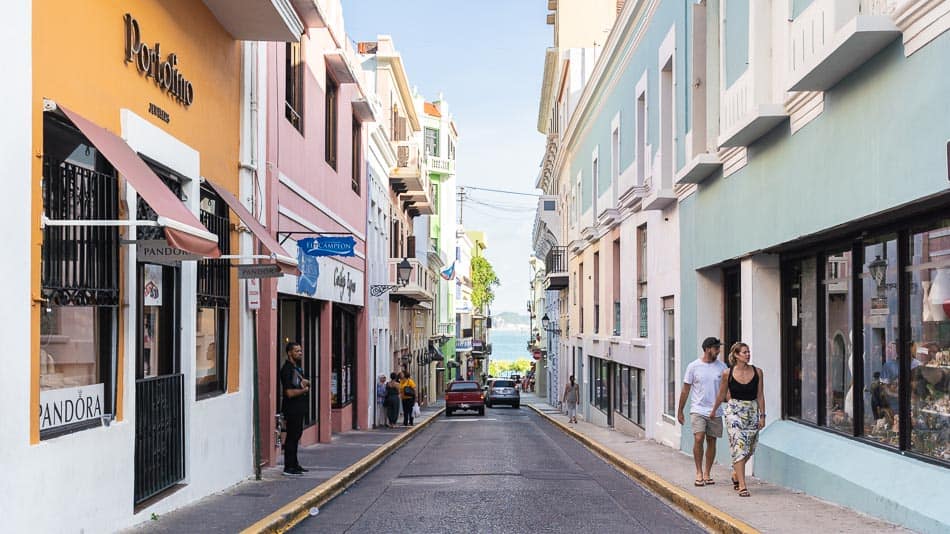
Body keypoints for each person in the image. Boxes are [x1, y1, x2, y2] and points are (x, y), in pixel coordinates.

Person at [710, 342, 765, 497]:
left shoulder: (758, 372)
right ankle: (742, 485)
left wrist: (763, 415)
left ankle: (736, 474)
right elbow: (722, 394)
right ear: (736, 355)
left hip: (752, 411)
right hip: (734, 412)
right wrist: (714, 410)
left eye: (748, 352)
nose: (748, 355)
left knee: (750, 447)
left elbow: (760, 395)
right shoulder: (728, 373)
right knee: (738, 447)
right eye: (744, 352)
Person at [678, 337, 727, 487]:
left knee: (712, 441)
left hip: (716, 411)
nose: (718, 351)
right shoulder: (694, 366)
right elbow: (686, 390)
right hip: (698, 409)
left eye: (719, 348)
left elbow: (726, 390)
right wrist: (680, 410)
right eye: (716, 348)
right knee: (699, 438)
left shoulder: (722, 367)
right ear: (707, 349)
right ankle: (698, 472)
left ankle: (707, 472)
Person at [279, 342, 310, 476]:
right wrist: (304, 390)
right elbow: (289, 393)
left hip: (299, 408)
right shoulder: (287, 369)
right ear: (289, 353)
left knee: (296, 436)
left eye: (300, 351)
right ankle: (288, 467)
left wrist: (306, 383)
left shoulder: (297, 368)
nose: (300, 353)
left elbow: (302, 382)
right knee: (292, 436)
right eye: (296, 351)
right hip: (292, 409)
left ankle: (295, 464)